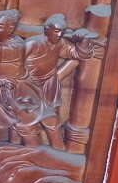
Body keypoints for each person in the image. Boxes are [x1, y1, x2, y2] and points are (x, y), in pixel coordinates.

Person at [0, 9, 59, 150]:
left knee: (26, 124)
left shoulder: (16, 45)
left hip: (16, 90)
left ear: (10, 30)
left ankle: (35, 155)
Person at [22, 13, 103, 150]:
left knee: (53, 121)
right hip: (29, 86)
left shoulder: (60, 43)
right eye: (56, 31)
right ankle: (30, 151)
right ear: (47, 29)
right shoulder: (32, 43)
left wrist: (84, 40)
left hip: (50, 85)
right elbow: (15, 62)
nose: (59, 35)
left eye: (61, 31)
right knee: (27, 121)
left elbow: (77, 53)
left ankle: (58, 151)